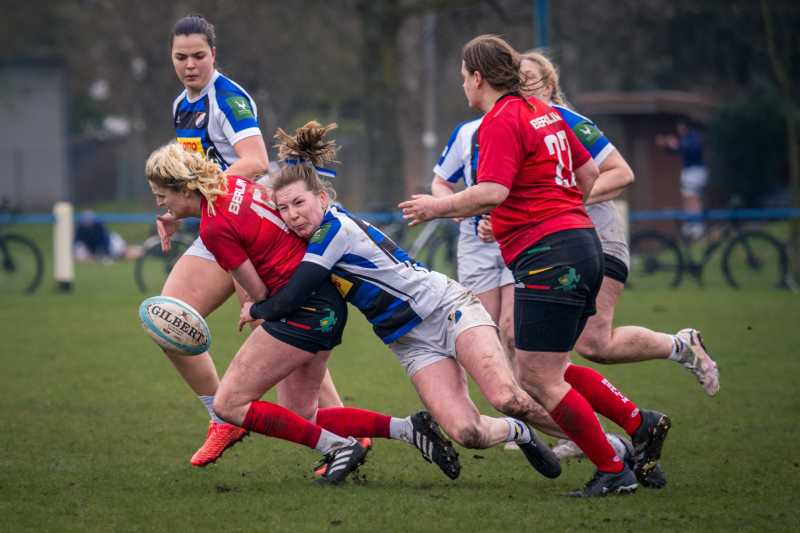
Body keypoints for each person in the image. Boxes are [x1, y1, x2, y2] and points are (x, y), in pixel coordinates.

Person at [400, 35, 671, 497]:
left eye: (463, 77)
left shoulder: (500, 120)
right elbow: (588, 175)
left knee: (535, 378)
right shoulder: (545, 113)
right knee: (554, 367)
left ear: (478, 78)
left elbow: (492, 191)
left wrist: (435, 207)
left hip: (550, 256)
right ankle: (637, 424)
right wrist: (556, 211)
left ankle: (613, 467)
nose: (463, 85)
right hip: (583, 245)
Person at [240, 121, 564, 481]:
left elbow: (292, 296)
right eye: (283, 208)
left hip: (446, 309)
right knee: (467, 433)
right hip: (409, 341)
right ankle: (519, 432)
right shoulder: (310, 239)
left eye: (299, 203)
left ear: (322, 199)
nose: (292, 215)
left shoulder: (334, 231)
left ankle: (605, 443)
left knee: (507, 399)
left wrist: (255, 309)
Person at [145, 141, 462, 484]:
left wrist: (254, 308)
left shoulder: (213, 228)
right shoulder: (235, 184)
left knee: (229, 405)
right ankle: (409, 429)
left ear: (185, 189)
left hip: (300, 310)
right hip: (326, 304)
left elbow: (259, 292)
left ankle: (337, 447)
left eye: (161, 195)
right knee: (302, 412)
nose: (160, 203)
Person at [155, 14, 346, 468]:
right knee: (168, 321)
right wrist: (177, 210)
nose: (189, 65)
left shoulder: (229, 98)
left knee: (279, 334)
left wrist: (203, 191)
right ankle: (222, 417)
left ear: (213, 54)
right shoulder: (181, 104)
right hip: (216, 228)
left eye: (198, 56)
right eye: (181, 57)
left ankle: (342, 434)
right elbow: (190, 176)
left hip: (250, 230)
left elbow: (257, 161)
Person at [517, 51, 720, 462]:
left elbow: (622, 173)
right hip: (557, 246)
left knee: (594, 345)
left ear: (550, 87)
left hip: (598, 241)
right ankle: (592, 434)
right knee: (553, 358)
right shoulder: (516, 126)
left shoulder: (568, 121)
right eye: (514, 79)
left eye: (529, 79)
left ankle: (680, 346)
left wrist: (564, 201)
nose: (521, 86)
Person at [655, 117, 708, 240]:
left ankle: (697, 223)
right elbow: (676, 150)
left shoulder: (694, 137)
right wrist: (666, 145)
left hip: (696, 170)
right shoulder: (685, 139)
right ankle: (691, 221)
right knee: (687, 196)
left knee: (692, 196)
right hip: (689, 171)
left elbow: (691, 149)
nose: (679, 130)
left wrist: (677, 144)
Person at [73, 210, 142, 264]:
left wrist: (103, 254)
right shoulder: (80, 229)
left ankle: (143, 251)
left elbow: (103, 240)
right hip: (98, 249)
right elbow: (78, 243)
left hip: (111, 243)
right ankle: (143, 251)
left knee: (124, 253)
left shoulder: (98, 225)